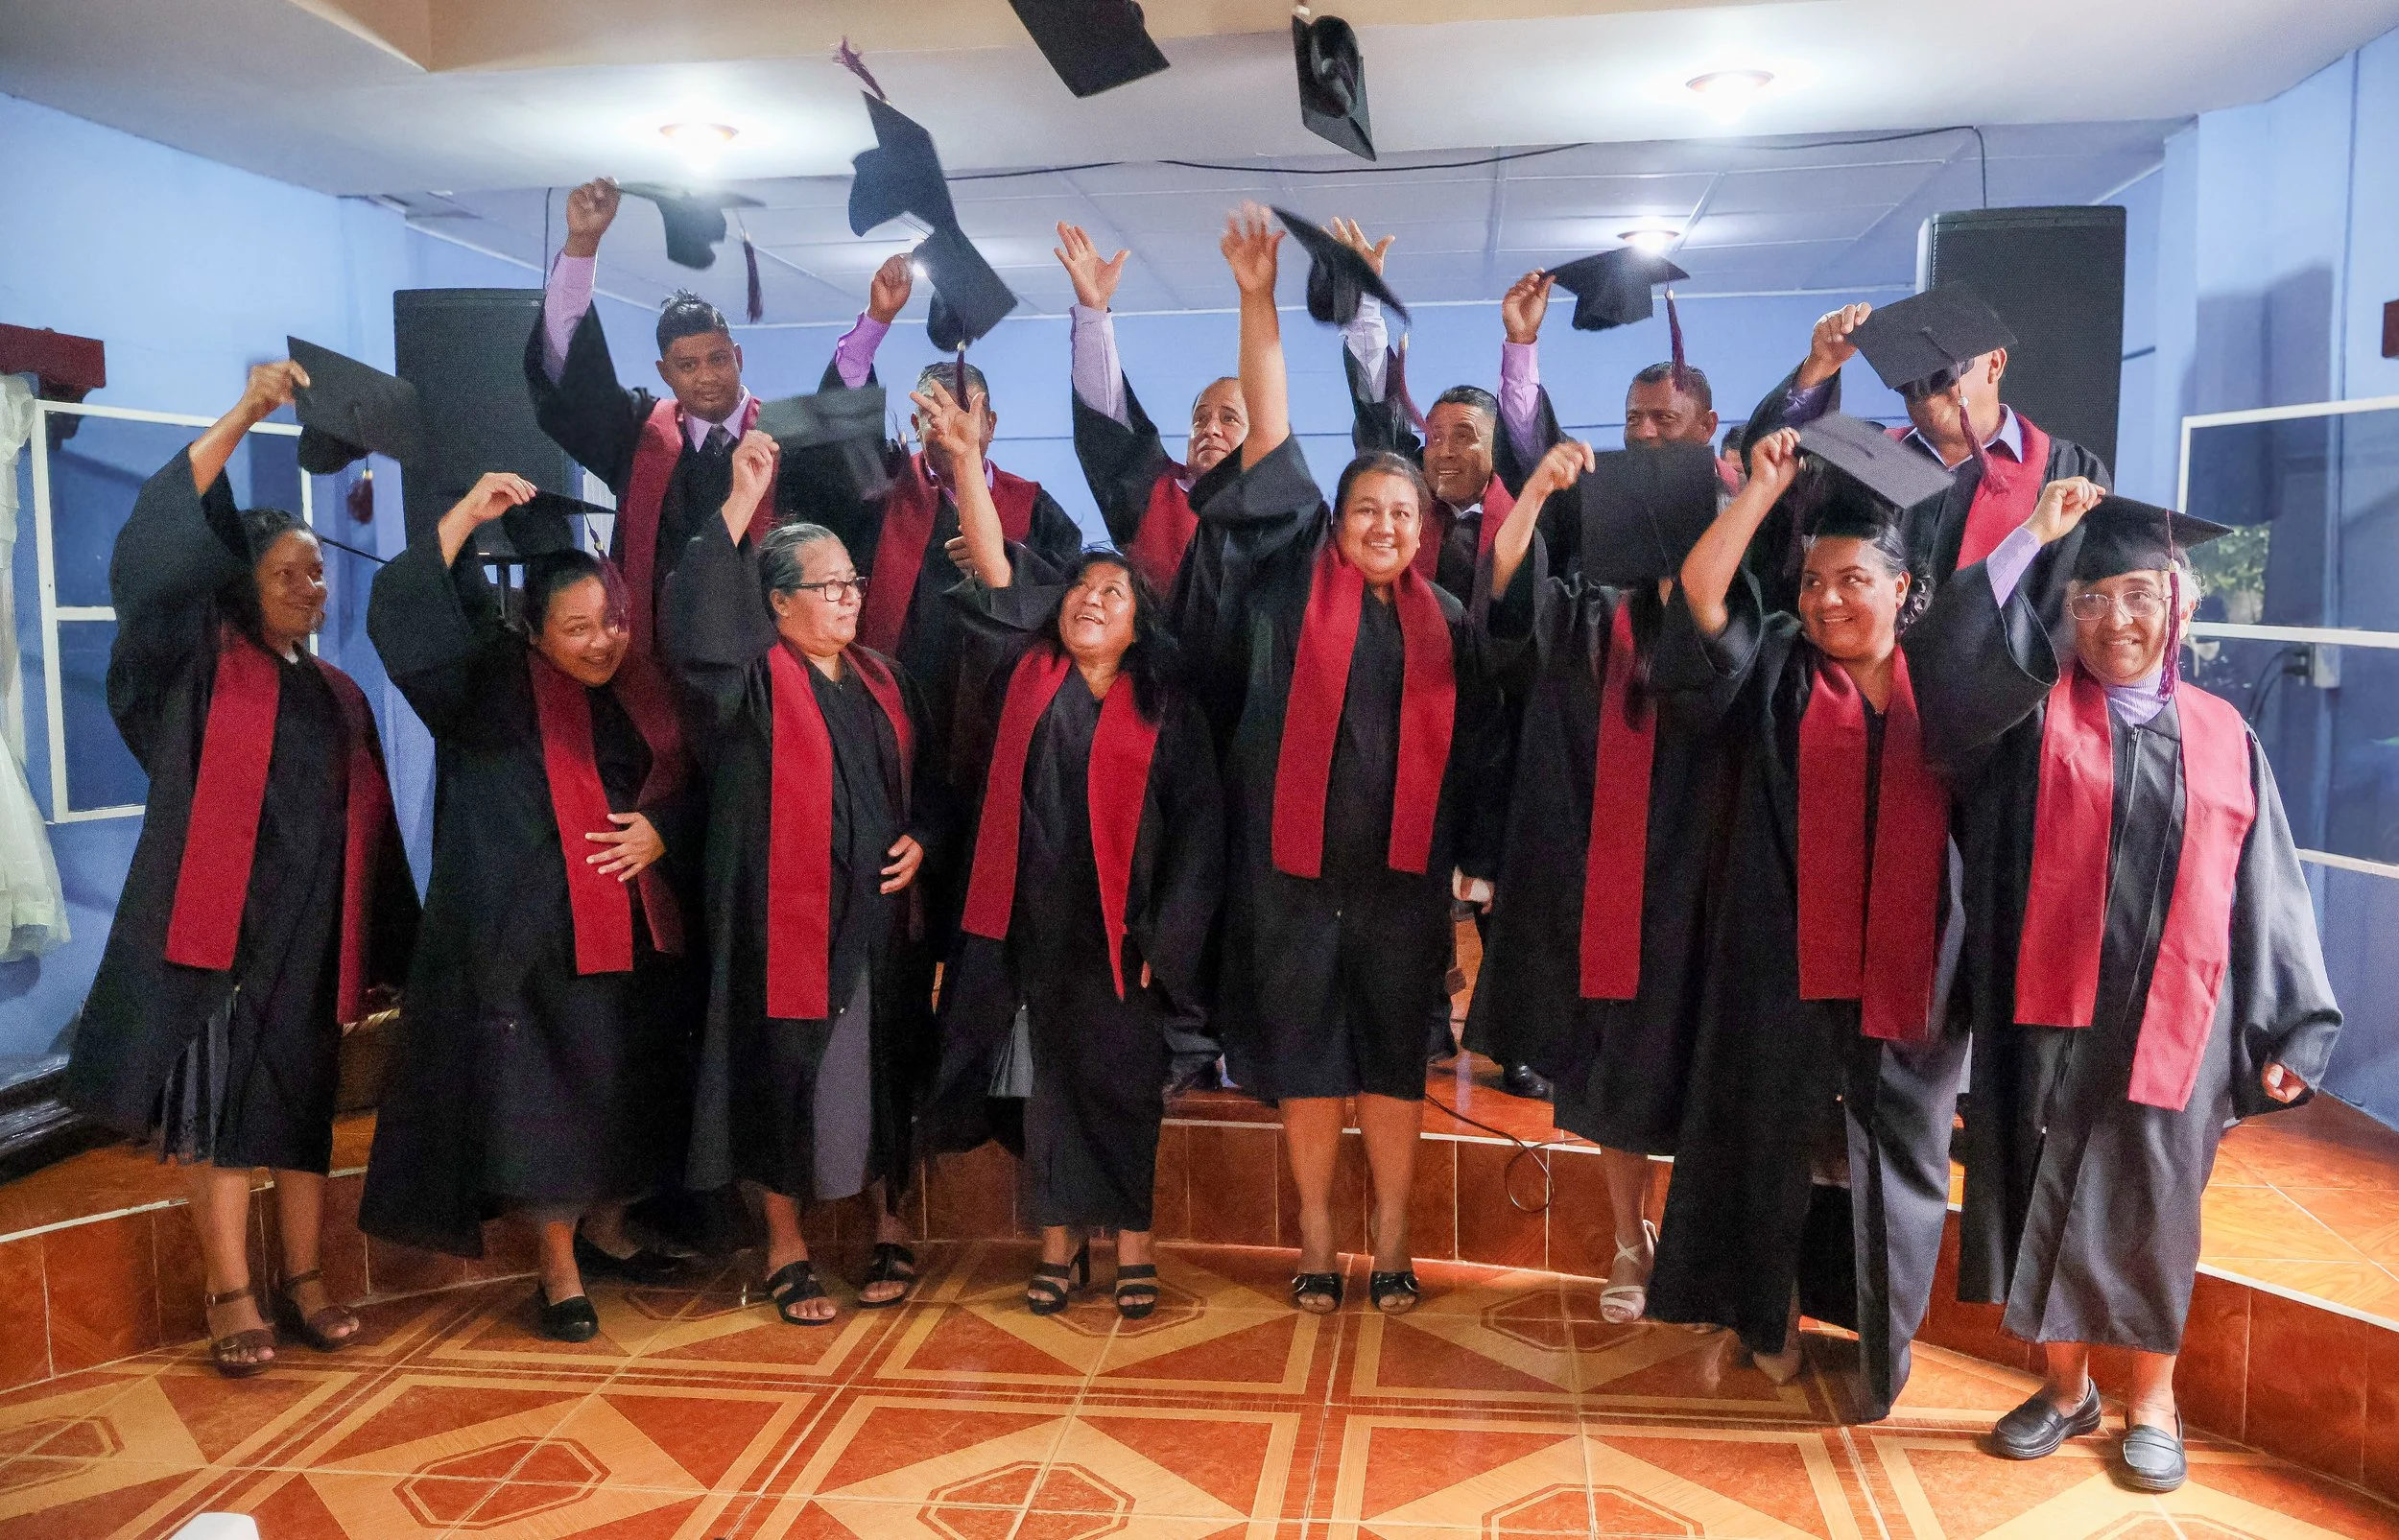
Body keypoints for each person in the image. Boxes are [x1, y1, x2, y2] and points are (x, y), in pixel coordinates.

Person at [1903, 487, 2341, 1491]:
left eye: (2137, 595)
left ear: (2177, 606)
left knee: (2154, 1201)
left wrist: (2295, 1024)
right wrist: (2030, 539)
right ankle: (2064, 1390)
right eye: (2090, 597)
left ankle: (2153, 1400)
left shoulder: (2226, 735)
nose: (2113, 620)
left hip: (2173, 1022)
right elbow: (1945, 677)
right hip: (2044, 1013)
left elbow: (2265, 884)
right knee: (2035, 1183)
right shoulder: (2024, 722)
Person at [63, 361, 418, 1377]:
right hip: (216, 944)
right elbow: (153, 551)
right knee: (223, 1127)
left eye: (316, 573)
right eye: (288, 574)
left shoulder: (340, 693)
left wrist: (385, 949)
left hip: (308, 944)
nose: (311, 589)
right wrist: (250, 412)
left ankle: (305, 1284)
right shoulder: (193, 668)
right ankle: (232, 1295)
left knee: (302, 1118)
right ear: (238, 586)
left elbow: (374, 830)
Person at [1178, 206, 1494, 1316]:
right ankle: (1317, 1231)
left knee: (1393, 1064)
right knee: (1310, 1060)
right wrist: (1257, 298)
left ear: (1424, 525)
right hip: (1292, 883)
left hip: (1404, 889)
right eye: (1364, 508)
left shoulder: (1448, 618)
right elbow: (1266, 431)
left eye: (1402, 511)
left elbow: (1477, 754)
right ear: (1331, 521)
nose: (1384, 524)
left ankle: (1395, 1232)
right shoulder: (1279, 581)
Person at [1644, 429, 1965, 1423]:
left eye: (1853, 579)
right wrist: (1757, 491)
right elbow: (1698, 602)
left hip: (1913, 974)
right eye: (1815, 579)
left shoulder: (1950, 689)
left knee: (1896, 1156)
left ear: (1903, 589)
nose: (1828, 599)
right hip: (1775, 961)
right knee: (1768, 1137)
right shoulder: (1780, 672)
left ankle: (1880, 1332)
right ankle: (1767, 1317)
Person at [362, 479, 701, 1342]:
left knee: (635, 1087)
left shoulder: (639, 690)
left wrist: (662, 831)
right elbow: (409, 619)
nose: (601, 642)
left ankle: (614, 1229)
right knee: (549, 1105)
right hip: (531, 941)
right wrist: (465, 516)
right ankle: (557, 1269)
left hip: (636, 930)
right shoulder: (485, 688)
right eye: (577, 629)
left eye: (611, 622)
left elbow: (694, 781)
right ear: (534, 631)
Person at [926, 370, 1226, 1317]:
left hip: (1127, 940)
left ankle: (1132, 1245)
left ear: (1139, 621)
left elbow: (1199, 839)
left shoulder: (1163, 710)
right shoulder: (1031, 675)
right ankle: (1057, 1248)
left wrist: (1166, 940)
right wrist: (968, 461)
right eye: (1083, 589)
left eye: (1114, 592)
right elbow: (996, 569)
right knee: (1045, 1095)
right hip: (1030, 935)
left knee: (1124, 1093)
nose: (1093, 599)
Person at [659, 430, 948, 1324]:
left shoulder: (886, 680)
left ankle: (890, 1224)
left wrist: (925, 840)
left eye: (852, 582)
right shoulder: (742, 687)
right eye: (828, 586)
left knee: (885, 1068)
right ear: (777, 603)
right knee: (779, 1070)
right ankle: (786, 1247)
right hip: (777, 923)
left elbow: (934, 783)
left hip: (880, 928)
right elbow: (694, 623)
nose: (849, 596)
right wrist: (741, 500)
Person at [1462, 439, 1740, 1325]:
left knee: (1695, 1071)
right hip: (1597, 884)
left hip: (1697, 887)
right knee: (1614, 1078)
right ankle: (1631, 1238)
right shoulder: (1582, 615)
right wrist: (1538, 489)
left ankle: (1699, 1252)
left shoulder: (1729, 617)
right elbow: (1504, 606)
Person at [1741, 291, 2111, 625]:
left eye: (1944, 373)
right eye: (1910, 378)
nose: (1927, 394)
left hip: (2004, 690)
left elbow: (2074, 610)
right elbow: (1771, 467)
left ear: (1995, 364)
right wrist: (1820, 364)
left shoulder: (2066, 471)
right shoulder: (1865, 458)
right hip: (1870, 690)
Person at [526, 178, 778, 660]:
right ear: (664, 372)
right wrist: (583, 245)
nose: (706, 377)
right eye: (687, 365)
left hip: (763, 675)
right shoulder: (639, 435)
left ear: (738, 356)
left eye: (718, 359)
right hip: (658, 665)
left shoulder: (783, 438)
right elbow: (565, 373)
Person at [1056, 223, 1247, 594]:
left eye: (1229, 418)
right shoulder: (1154, 491)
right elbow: (1107, 421)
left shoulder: (1283, 508)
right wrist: (1094, 312)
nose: (1210, 429)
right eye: (1200, 419)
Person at [1491, 268, 1726, 570]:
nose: (1644, 431)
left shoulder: (1742, 502)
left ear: (1707, 426)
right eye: (1633, 418)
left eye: (1664, 418)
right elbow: (1530, 442)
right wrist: (1521, 341)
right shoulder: (1598, 497)